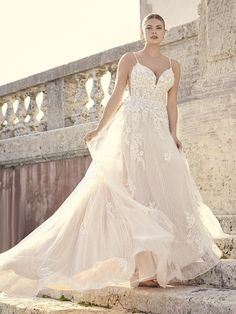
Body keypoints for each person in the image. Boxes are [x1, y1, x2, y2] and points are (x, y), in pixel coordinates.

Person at [0, 13, 229, 297]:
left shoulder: (175, 66)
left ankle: (154, 268)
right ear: (143, 31)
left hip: (159, 135)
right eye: (149, 28)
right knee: (137, 196)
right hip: (133, 132)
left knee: (162, 196)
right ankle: (143, 272)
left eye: (159, 28)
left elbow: (172, 104)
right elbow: (117, 95)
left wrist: (173, 134)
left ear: (165, 33)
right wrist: (99, 130)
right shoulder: (130, 60)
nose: (154, 32)